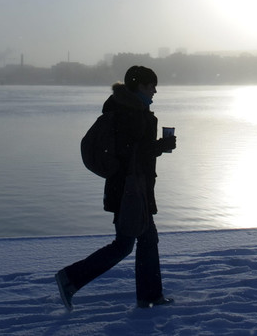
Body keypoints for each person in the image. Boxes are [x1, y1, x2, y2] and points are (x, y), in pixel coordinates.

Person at [55, 65, 177, 310]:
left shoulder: (127, 109)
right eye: (151, 85)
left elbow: (130, 152)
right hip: (129, 190)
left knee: (144, 240)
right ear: (138, 86)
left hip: (131, 187)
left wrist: (155, 148)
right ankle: (70, 278)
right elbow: (130, 154)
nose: (155, 90)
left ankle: (149, 295)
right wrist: (160, 146)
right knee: (126, 244)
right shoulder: (130, 113)